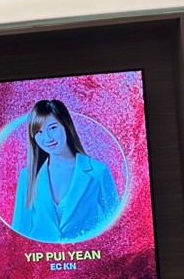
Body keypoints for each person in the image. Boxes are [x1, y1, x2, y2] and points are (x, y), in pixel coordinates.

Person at [11, 100, 122, 242]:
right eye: (39, 132)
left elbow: (116, 228)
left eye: (52, 128)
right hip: (39, 256)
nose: (47, 138)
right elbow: (18, 234)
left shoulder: (98, 171)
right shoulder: (27, 177)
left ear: (66, 125)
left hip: (87, 254)